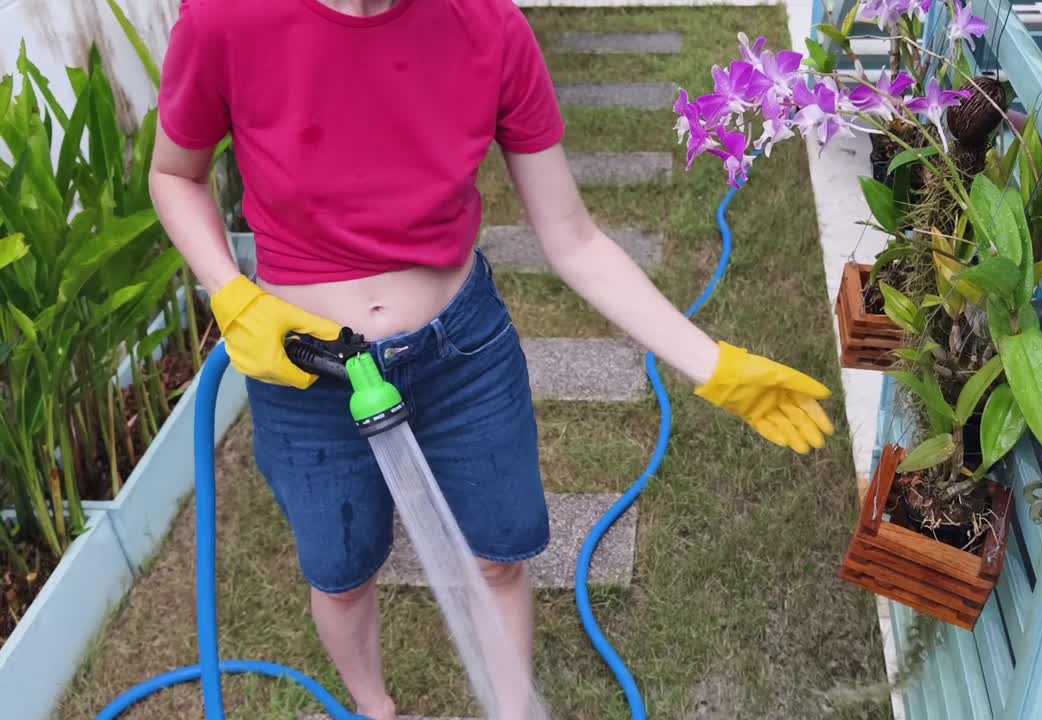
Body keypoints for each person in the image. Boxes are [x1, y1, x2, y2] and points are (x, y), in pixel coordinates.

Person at [151, 1, 835, 718]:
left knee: (499, 558)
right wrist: (231, 293)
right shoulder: (226, 21)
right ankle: (374, 707)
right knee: (341, 572)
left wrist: (713, 363)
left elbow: (572, 238)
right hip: (306, 370)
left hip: (459, 355)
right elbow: (175, 175)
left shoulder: (487, 27)